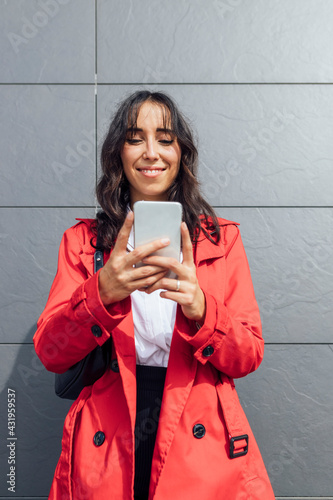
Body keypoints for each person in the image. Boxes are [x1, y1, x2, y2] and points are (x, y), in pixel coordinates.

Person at [33, 90, 275, 500]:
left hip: (197, 427)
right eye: (134, 138)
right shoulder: (84, 243)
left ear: (182, 153)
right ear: (118, 154)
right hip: (110, 430)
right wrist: (100, 294)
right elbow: (50, 352)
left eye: (165, 139)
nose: (151, 153)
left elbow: (248, 354)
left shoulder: (221, 241)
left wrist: (203, 310)